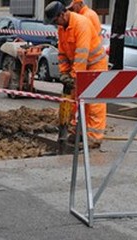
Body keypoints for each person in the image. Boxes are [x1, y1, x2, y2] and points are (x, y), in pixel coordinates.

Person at [44, 1, 108, 149]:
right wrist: (64, 72)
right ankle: (77, 131)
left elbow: (82, 53)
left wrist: (73, 75)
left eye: (55, 20)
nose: (55, 24)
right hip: (79, 67)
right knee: (76, 100)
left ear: (62, 14)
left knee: (94, 102)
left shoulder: (81, 23)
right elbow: (62, 53)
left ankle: (94, 137)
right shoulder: (62, 28)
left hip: (95, 64)